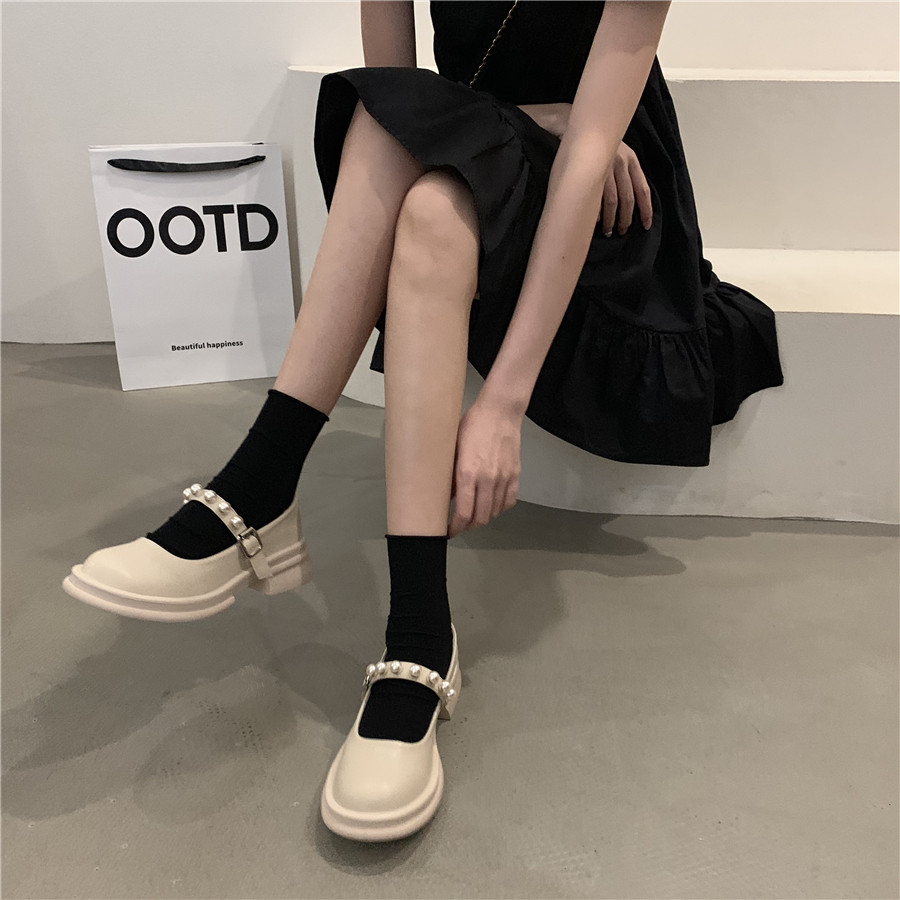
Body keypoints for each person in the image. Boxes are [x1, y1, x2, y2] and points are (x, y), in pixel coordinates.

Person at [62, 0, 784, 842]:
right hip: (491, 151)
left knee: (429, 186)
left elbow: (592, 152)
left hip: (612, 193)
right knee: (397, 143)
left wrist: (503, 403)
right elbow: (402, 97)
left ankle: (284, 507)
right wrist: (529, 116)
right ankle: (410, 620)